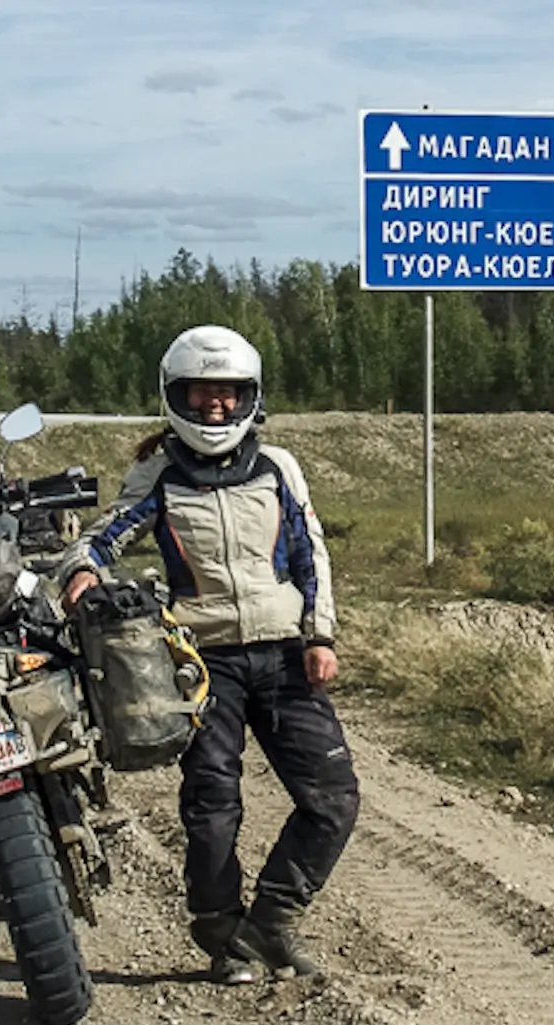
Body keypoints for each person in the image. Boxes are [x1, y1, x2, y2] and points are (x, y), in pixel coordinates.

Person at [59, 324, 359, 984]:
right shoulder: (159, 474)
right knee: (212, 802)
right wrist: (79, 570)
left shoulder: (278, 467)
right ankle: (220, 930)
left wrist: (320, 635)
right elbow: (105, 536)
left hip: (285, 654)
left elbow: (311, 556)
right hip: (201, 659)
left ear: (249, 397)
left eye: (227, 394)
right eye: (201, 394)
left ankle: (272, 920)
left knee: (333, 797)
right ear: (175, 396)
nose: (215, 407)